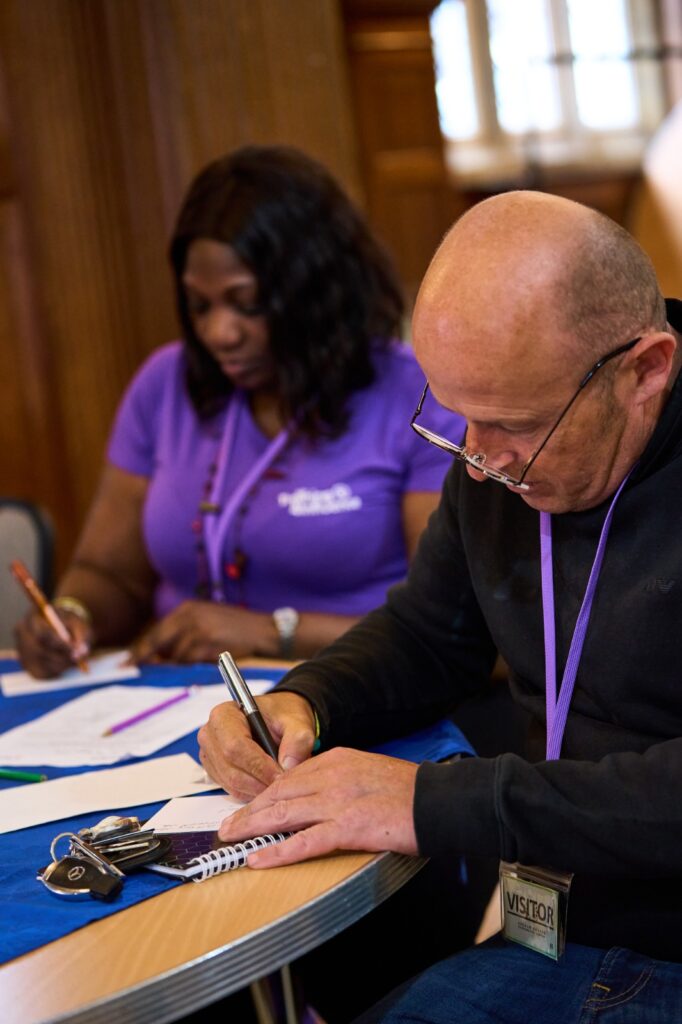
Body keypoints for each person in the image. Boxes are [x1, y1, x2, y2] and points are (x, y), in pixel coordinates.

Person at [198, 190, 682, 1022]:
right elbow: (431, 633)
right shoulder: (499, 454)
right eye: (457, 419)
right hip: (566, 925)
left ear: (645, 371)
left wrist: (435, 801)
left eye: (512, 425)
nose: (481, 461)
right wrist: (308, 697)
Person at [15, 145, 455, 679]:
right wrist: (71, 616)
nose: (220, 333)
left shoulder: (417, 397)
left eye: (246, 303)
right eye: (200, 305)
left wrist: (270, 632)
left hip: (357, 696)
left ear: (316, 292)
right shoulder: (164, 384)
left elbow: (444, 628)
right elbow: (109, 575)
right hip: (175, 705)